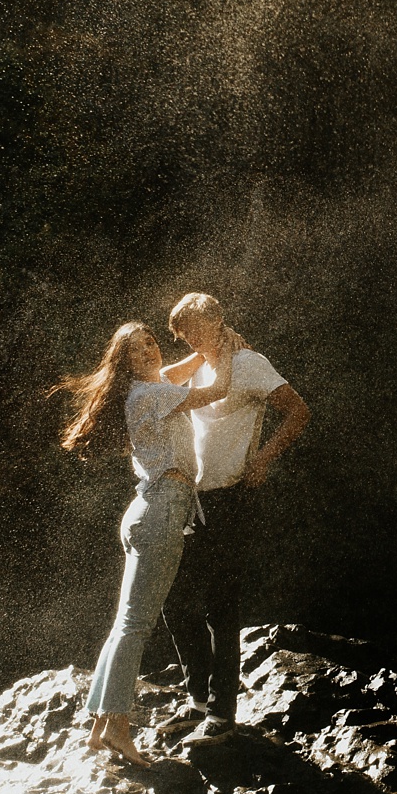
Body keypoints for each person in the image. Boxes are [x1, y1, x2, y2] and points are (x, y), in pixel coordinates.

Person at [51, 319, 238, 766]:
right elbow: (216, 391)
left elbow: (177, 370)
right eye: (138, 350)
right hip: (164, 509)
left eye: (152, 342)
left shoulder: (147, 390)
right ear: (126, 363)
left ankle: (101, 722)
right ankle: (117, 727)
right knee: (136, 626)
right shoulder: (152, 395)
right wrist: (225, 351)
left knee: (125, 623)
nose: (151, 351)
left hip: (146, 508)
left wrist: (204, 347)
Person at [160, 293, 310, 745]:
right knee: (173, 598)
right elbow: (159, 382)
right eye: (183, 333)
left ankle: (222, 716)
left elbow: (299, 410)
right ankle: (199, 702)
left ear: (217, 320)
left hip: (231, 499)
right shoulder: (204, 366)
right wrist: (202, 351)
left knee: (220, 609)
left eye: (195, 329)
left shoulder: (249, 363)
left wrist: (264, 458)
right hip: (193, 496)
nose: (189, 338)